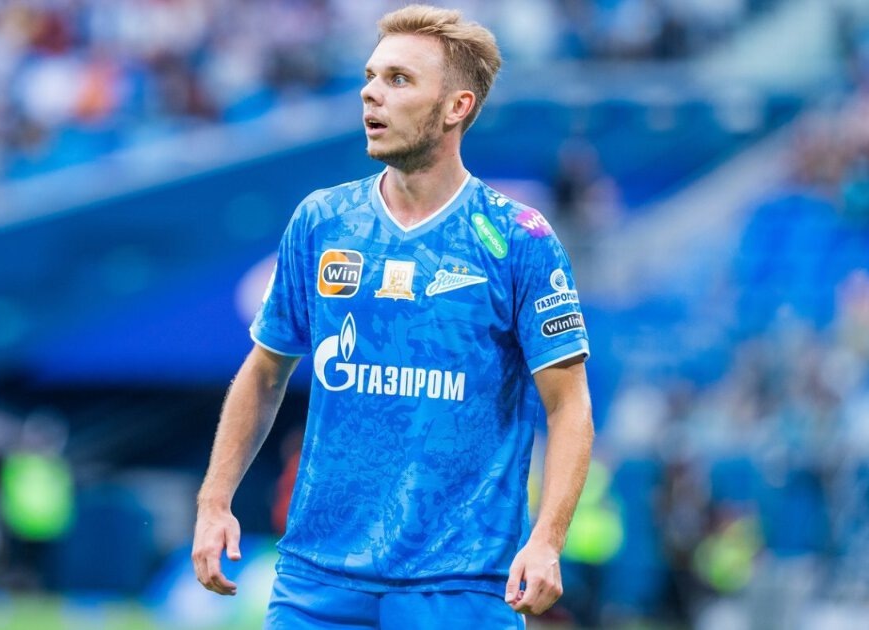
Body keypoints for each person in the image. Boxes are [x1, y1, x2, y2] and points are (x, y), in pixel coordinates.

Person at [191, 5, 594, 627]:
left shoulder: (519, 238)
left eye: (399, 79)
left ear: (456, 106)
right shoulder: (323, 221)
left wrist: (547, 540)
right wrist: (215, 501)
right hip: (316, 580)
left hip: (460, 585)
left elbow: (569, 406)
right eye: (371, 76)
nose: (371, 93)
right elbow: (265, 371)